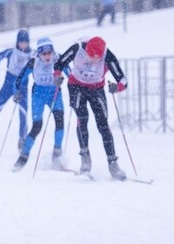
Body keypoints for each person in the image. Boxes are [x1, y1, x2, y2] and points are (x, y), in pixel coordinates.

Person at [53, 36, 128, 180]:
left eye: (96, 58)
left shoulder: (107, 55)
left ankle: (113, 164)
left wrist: (116, 87)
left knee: (103, 126)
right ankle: (85, 159)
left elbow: (123, 81)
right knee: (82, 119)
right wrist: (57, 75)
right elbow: (59, 63)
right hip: (76, 86)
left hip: (96, 89)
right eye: (90, 56)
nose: (92, 60)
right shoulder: (78, 48)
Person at [12, 37, 68, 171]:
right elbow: (19, 80)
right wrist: (17, 92)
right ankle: (23, 156)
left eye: (50, 53)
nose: (47, 56)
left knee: (60, 121)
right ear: (39, 53)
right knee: (37, 126)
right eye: (44, 54)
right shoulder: (33, 61)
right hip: (38, 94)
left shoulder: (58, 59)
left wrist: (64, 81)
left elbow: (71, 75)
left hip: (54, 93)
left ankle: (57, 154)